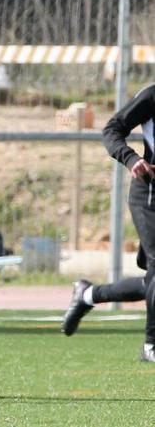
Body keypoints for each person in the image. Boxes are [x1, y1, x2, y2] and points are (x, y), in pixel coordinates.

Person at [61, 84, 155, 362]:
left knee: (152, 279)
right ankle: (151, 345)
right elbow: (112, 128)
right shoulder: (151, 96)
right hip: (150, 193)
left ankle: (88, 294)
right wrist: (131, 158)